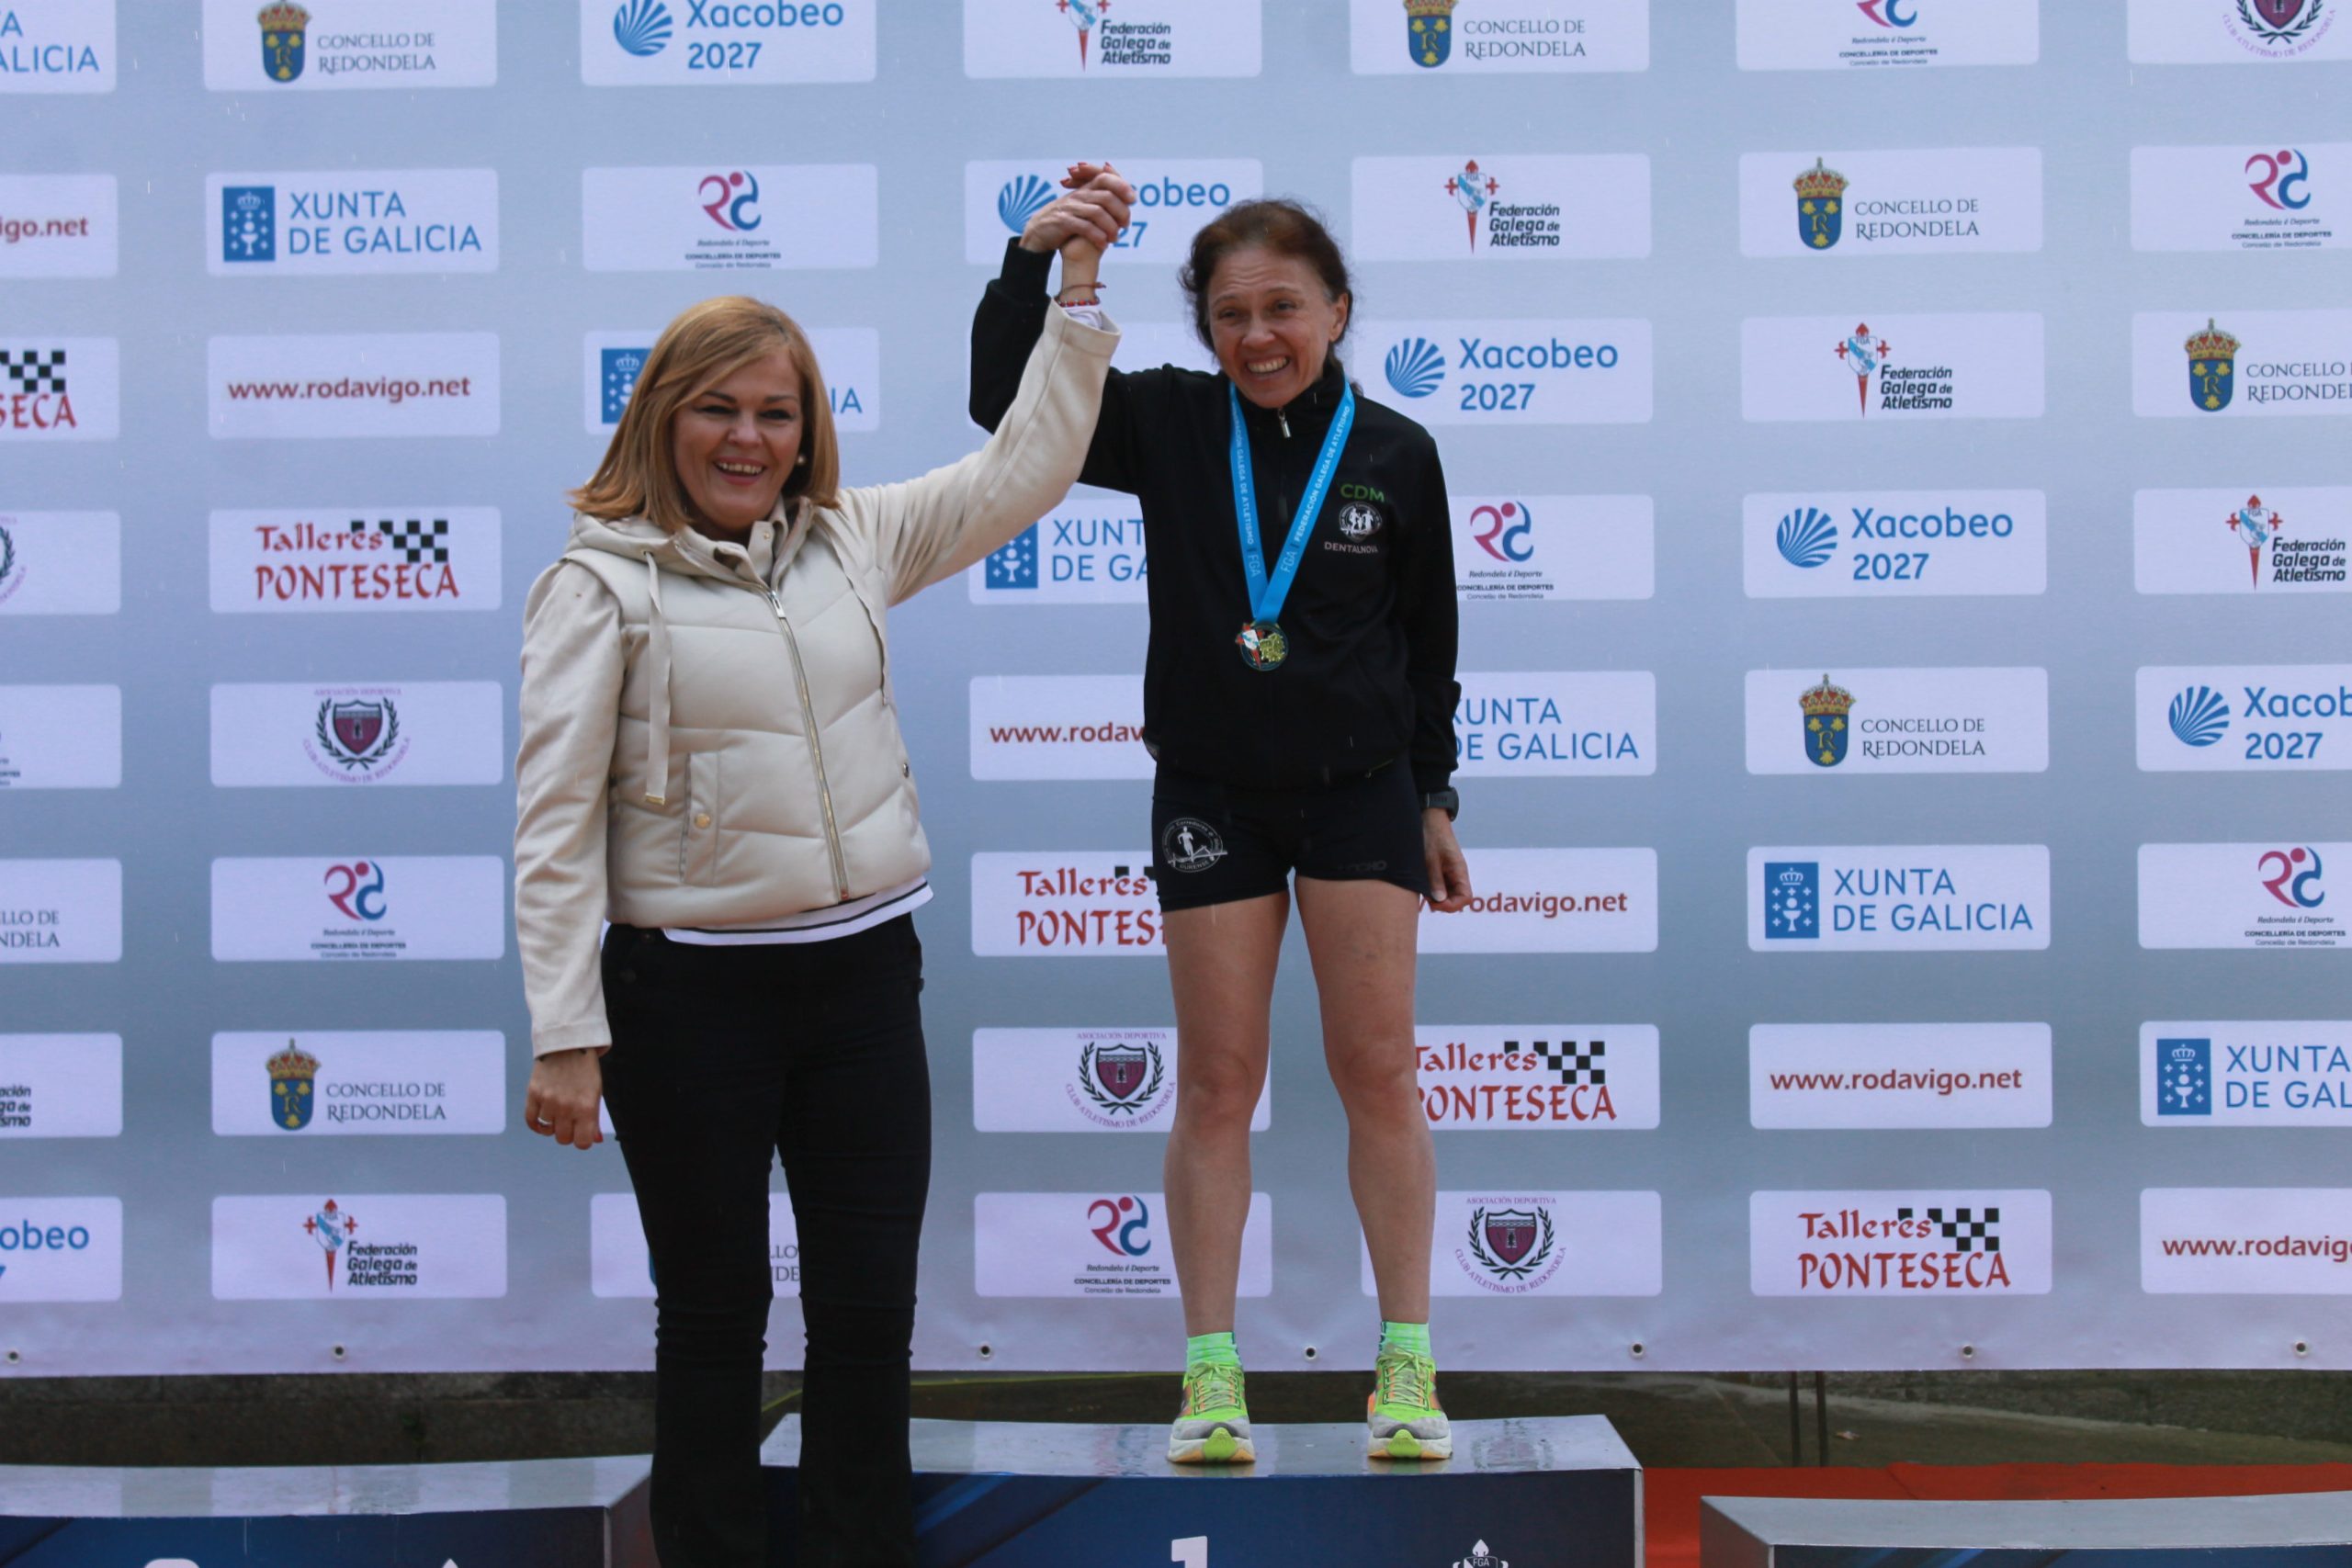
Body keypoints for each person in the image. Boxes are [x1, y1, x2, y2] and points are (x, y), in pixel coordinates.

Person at [514, 172, 1127, 1565]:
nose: (749, 436)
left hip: (861, 987)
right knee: (713, 1317)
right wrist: (566, 1031)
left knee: (867, 1319)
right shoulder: (595, 587)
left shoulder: (854, 541)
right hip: (688, 1001)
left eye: (777, 412)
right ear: (661, 418)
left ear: (808, 432)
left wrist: (1074, 292)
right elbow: (553, 829)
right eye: (718, 408)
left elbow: (1027, 467)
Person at [971, 184, 1472, 1464]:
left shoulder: (1398, 451)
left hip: (1363, 793)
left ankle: (1406, 1365)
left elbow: (1430, 643)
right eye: (1231, 315)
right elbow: (1004, 407)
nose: (1258, 337)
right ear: (1204, 328)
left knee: (1380, 1071)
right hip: (1211, 797)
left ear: (1338, 311)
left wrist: (1433, 795)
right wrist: (1042, 265)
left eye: (1283, 309)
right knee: (1214, 1081)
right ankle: (1209, 1376)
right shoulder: (1167, 423)